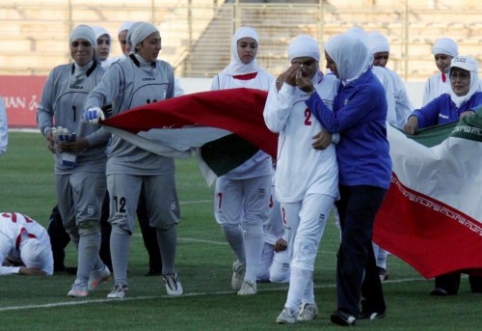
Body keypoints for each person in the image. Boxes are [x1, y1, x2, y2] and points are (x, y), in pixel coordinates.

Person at [83, 21, 182, 299]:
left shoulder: (166, 71)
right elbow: (97, 95)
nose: (158, 47)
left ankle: (170, 272)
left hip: (159, 157)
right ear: (138, 44)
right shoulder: (119, 70)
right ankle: (120, 283)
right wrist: (92, 109)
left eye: (160, 41)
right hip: (124, 158)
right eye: (153, 41)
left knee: (165, 220)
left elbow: (172, 107)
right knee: (120, 220)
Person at [303, 33, 391, 326]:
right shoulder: (347, 84)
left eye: (333, 61)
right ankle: (375, 303)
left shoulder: (369, 90)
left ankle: (347, 309)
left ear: (348, 60)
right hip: (348, 176)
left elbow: (336, 121)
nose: (329, 67)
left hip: (369, 176)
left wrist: (309, 95)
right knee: (360, 242)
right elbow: (336, 122)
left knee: (351, 243)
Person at [263, 34, 339, 324]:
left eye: (309, 63)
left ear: (318, 62)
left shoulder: (333, 84)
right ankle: (309, 302)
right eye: (297, 64)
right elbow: (272, 123)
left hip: (322, 174)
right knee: (295, 243)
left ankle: (290, 307)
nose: (303, 70)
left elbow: (345, 122)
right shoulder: (280, 85)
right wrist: (286, 90)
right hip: (289, 176)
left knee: (306, 241)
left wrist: (334, 133)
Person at [37, 25, 111, 297]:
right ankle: (99, 269)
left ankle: (81, 281)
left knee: (88, 220)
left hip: (93, 160)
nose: (80, 49)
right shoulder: (57, 74)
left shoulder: (106, 77)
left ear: (94, 48)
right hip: (63, 159)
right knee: (69, 222)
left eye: (85, 44)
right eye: (75, 44)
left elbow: (112, 123)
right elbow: (44, 109)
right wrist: (48, 133)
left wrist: (87, 142)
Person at [404, 55, 482, 296]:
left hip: (476, 181)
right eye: (454, 75)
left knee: (476, 228)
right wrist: (413, 119)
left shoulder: (480, 100)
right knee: (446, 228)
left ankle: (479, 279)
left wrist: (476, 116)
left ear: (474, 77)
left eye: (463, 75)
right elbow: (421, 112)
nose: (458, 80)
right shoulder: (444, 101)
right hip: (449, 180)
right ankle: (446, 281)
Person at [210, 26, 274, 295]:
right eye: (244, 45)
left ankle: (250, 278)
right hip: (228, 164)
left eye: (253, 46)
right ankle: (244, 261)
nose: (248, 50)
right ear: (235, 45)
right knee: (228, 224)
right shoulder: (221, 79)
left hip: (259, 163)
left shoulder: (268, 80)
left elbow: (274, 120)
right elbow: (211, 118)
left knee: (255, 221)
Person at [367, 30, 415, 281]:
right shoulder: (361, 78)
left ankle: (381, 262)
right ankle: (369, 262)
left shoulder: (394, 79)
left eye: (385, 57)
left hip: (388, 150)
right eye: (377, 57)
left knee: (383, 206)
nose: (382, 63)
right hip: (365, 150)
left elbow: (406, 109)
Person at [256, 174, 290, 284]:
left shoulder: (290, 169)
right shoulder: (261, 169)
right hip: (266, 236)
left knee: (278, 277)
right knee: (257, 275)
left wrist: (288, 237)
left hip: (288, 237)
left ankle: (300, 268)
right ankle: (278, 263)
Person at [422, 37, 458, 106]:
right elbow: (425, 111)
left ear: (454, 57)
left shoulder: (471, 81)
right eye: (436, 58)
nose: (439, 62)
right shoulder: (431, 82)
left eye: (443, 57)